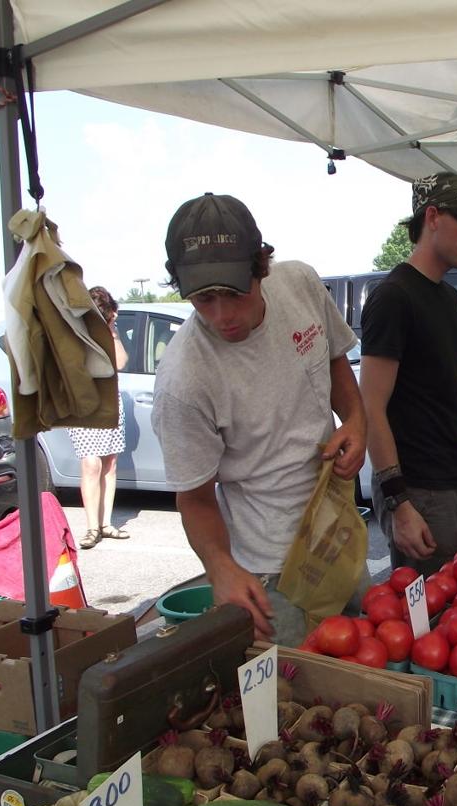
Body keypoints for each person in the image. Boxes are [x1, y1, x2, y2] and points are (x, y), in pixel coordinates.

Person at [151, 193, 366, 642]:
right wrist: (221, 567)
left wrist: (355, 421)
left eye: (233, 293)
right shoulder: (183, 379)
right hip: (272, 574)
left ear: (261, 267)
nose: (222, 315)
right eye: (203, 299)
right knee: (297, 700)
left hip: (337, 532)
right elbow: (194, 499)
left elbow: (333, 362)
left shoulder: (301, 284)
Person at [361, 172, 457, 575]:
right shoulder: (393, 298)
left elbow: (440, 388)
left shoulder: (446, 296)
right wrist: (399, 503)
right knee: (429, 622)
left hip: (455, 480)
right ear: (433, 217)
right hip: (419, 492)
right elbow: (370, 407)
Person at [68, 286, 130, 550]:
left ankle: (106, 523)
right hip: (83, 405)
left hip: (108, 402)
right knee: (91, 465)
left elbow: (120, 363)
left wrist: (112, 331)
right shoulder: (74, 333)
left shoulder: (108, 333)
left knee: (110, 463)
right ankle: (92, 527)